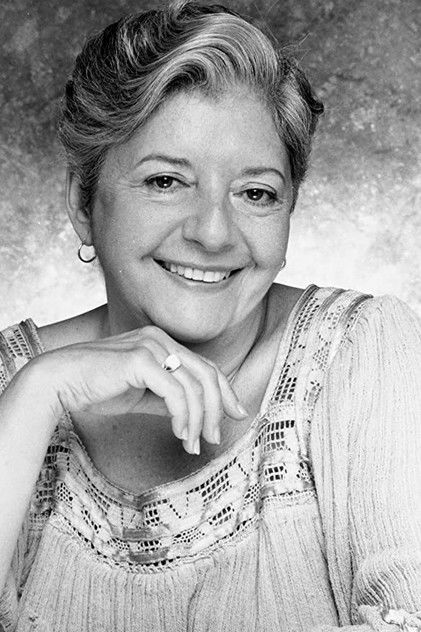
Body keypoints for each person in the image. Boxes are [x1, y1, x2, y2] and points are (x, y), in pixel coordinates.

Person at [0, 1, 420, 631]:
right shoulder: (10, 386)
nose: (214, 233)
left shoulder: (363, 356)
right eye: (166, 181)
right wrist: (37, 395)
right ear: (83, 202)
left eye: (256, 193)